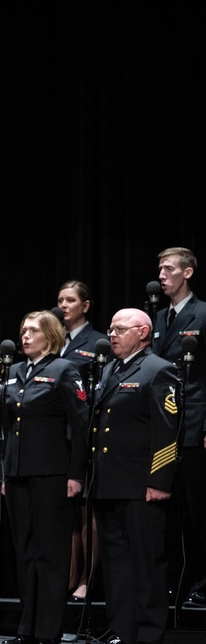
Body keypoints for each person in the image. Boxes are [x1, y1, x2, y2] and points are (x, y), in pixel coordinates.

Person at [1, 310, 89, 644]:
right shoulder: (14, 372)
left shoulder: (65, 369)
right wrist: (7, 472)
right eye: (23, 330)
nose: (24, 336)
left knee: (51, 554)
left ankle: (48, 630)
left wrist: (76, 473)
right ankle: (27, 628)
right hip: (19, 473)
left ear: (49, 335)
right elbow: (9, 427)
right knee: (24, 551)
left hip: (53, 474)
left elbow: (80, 426)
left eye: (32, 331)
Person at [92, 308, 179, 644]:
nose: (112, 334)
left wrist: (159, 482)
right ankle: (122, 630)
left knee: (146, 563)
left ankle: (147, 633)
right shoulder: (111, 369)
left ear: (143, 332)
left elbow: (167, 430)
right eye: (111, 328)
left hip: (142, 484)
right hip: (110, 484)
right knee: (117, 566)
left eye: (120, 329)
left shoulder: (159, 370)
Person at [152, 246, 206, 610]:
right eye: (159, 268)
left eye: (168, 268)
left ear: (187, 273)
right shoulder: (155, 316)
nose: (161, 274)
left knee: (197, 507)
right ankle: (175, 580)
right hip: (163, 424)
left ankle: (202, 581)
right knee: (166, 509)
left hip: (195, 420)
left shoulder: (203, 313)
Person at [55, 279, 108, 602]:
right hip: (55, 436)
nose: (63, 306)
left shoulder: (98, 342)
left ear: (85, 306)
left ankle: (88, 578)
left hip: (83, 433)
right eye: (60, 300)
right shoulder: (53, 338)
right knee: (66, 511)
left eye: (70, 300)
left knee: (87, 511)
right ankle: (69, 577)